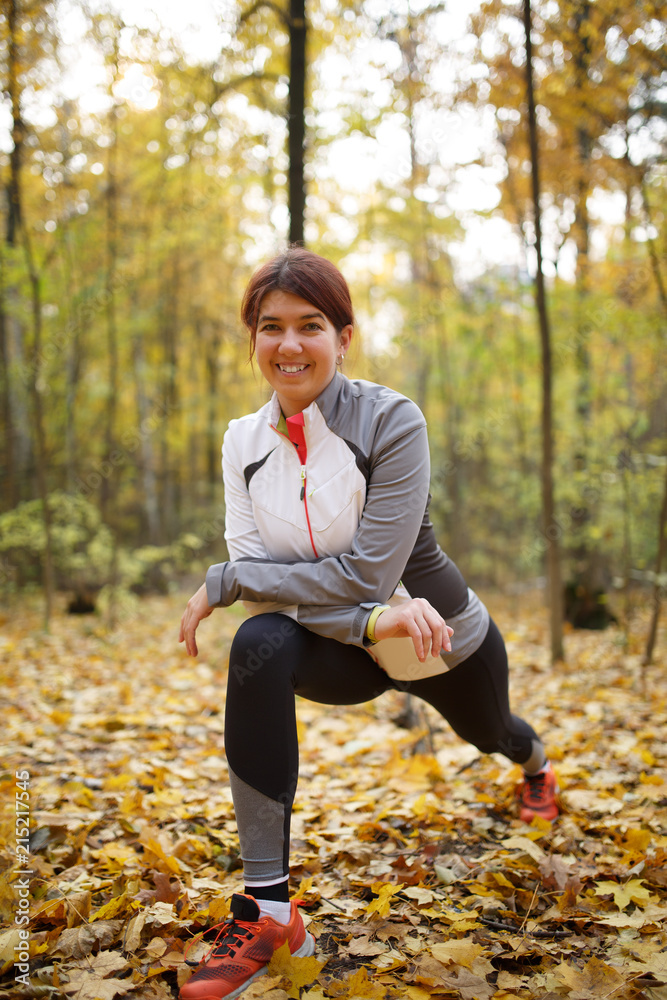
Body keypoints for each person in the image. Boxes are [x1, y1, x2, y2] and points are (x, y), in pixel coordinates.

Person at [177, 248, 558, 1000]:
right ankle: (270, 908)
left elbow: (358, 571)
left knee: (493, 734)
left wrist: (225, 580)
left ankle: (536, 765)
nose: (289, 345)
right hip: (341, 645)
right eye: (271, 327)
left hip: (436, 638)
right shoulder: (241, 443)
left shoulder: (391, 420)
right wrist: (306, 601)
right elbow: (271, 598)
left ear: (343, 337)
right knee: (258, 641)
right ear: (252, 338)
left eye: (310, 326)